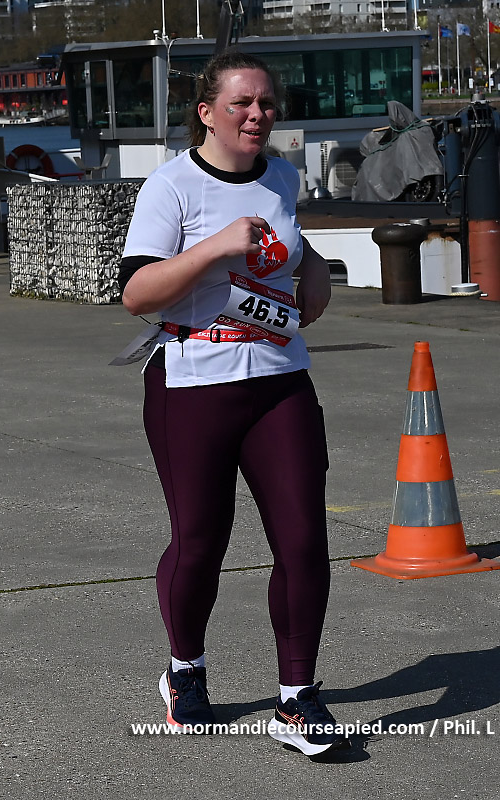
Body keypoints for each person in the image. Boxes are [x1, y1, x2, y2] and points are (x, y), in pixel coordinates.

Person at [118, 50, 345, 756]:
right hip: (193, 383)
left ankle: (297, 699)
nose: (256, 115)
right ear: (207, 112)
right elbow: (137, 294)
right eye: (241, 103)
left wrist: (312, 266)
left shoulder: (282, 176)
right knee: (201, 541)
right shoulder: (171, 186)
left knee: (303, 541)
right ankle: (185, 670)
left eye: (266, 103)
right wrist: (214, 249)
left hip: (280, 378)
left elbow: (287, 240)